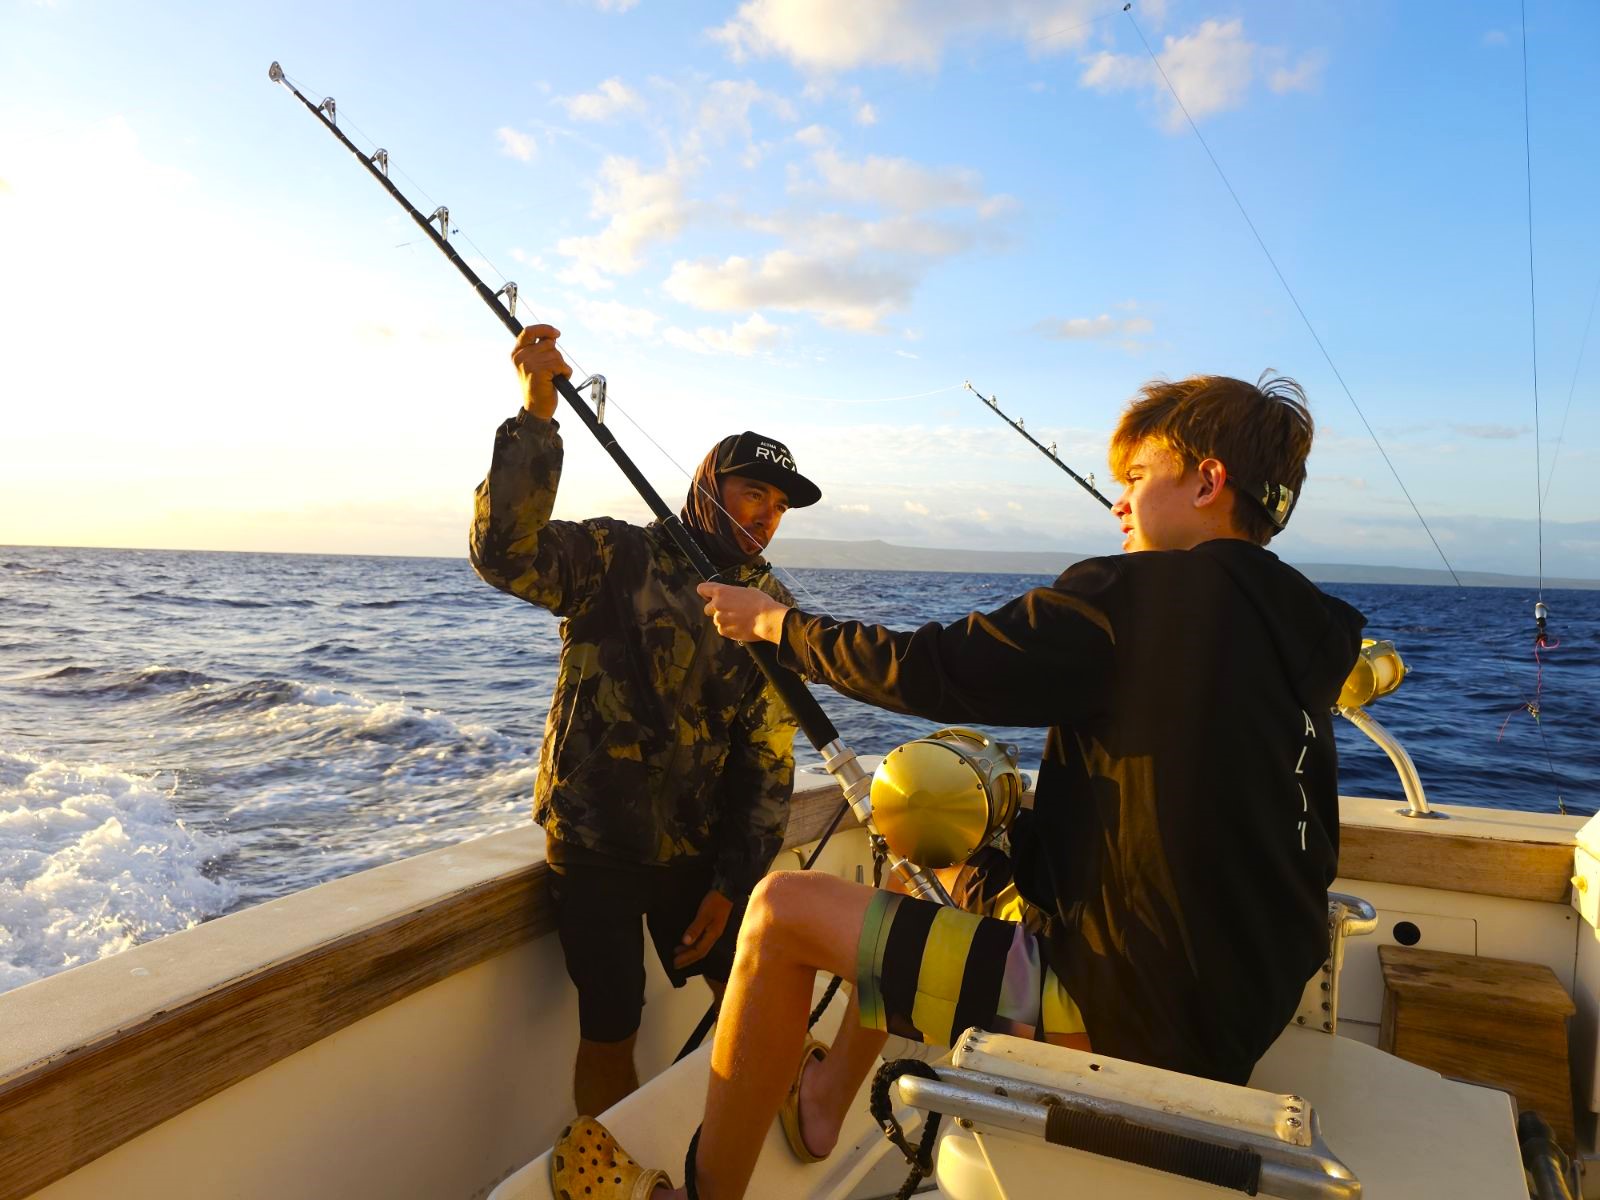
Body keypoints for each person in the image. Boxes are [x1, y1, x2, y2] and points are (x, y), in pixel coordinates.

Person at [547, 371, 1367, 1200]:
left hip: (1117, 1013)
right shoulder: (1300, 629)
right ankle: (825, 1101)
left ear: (1207, 481)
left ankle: (701, 1195)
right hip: (1234, 1010)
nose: (1120, 504)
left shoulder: (1141, 596)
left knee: (781, 913)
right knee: (929, 859)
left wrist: (776, 625)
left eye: (1137, 478)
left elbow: (931, 669)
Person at [469, 325, 822, 1118]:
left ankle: (739, 1155)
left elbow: (767, 761)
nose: (766, 516)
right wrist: (537, 411)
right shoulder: (613, 556)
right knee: (609, 1028)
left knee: (754, 1004)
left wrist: (734, 884)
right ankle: (617, 1169)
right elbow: (505, 552)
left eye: (777, 505)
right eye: (751, 494)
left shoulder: (773, 615)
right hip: (592, 845)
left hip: (698, 859)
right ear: (708, 486)